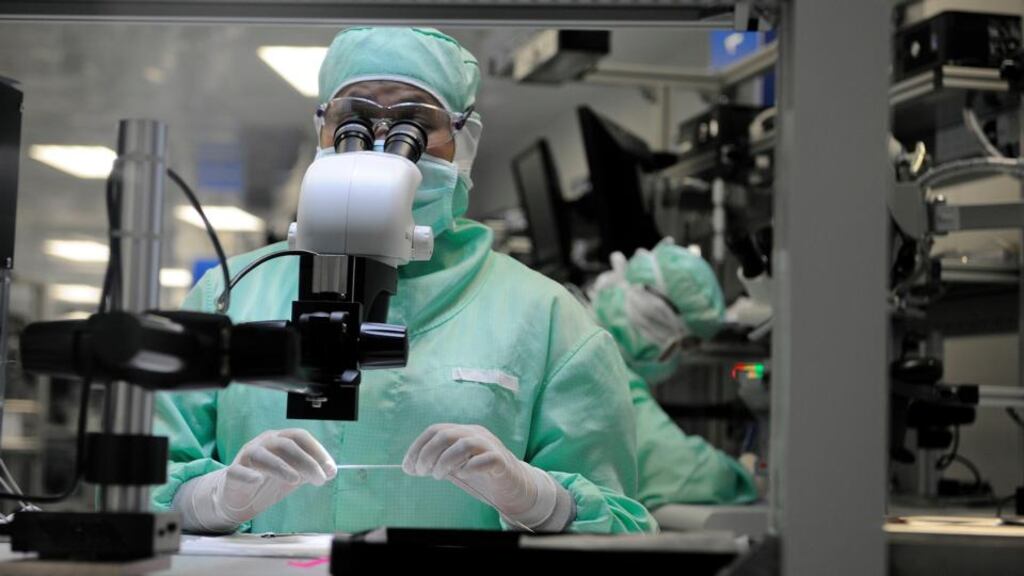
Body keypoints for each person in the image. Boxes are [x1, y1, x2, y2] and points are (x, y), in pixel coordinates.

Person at [152, 27, 657, 536]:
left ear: (463, 141)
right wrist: (212, 501)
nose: (378, 144)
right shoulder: (231, 293)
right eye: (353, 120)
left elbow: (622, 530)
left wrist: (539, 501)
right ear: (323, 131)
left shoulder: (545, 315)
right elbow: (141, 495)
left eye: (414, 123)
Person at [589, 239, 758, 509]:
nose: (680, 357)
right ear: (656, 317)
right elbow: (685, 471)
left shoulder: (583, 332)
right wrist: (744, 475)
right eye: (686, 344)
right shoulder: (599, 371)